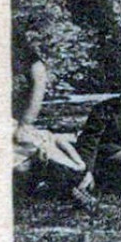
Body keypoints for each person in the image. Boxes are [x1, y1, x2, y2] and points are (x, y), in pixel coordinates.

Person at [12, 31, 85, 188]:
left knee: (32, 150)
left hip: (19, 128)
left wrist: (24, 124)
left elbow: (25, 123)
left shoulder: (33, 65)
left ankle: (72, 174)